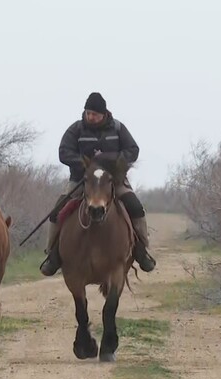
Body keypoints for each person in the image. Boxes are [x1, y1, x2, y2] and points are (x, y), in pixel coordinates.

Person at [39, 91, 156, 276]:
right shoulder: (76, 129)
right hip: (82, 181)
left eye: (94, 114)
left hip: (113, 180)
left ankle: (142, 251)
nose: (90, 117)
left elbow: (133, 150)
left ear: (104, 114)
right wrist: (86, 164)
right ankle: (52, 255)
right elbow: (64, 152)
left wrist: (111, 161)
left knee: (136, 208)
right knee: (57, 211)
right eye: (88, 113)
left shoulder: (117, 128)